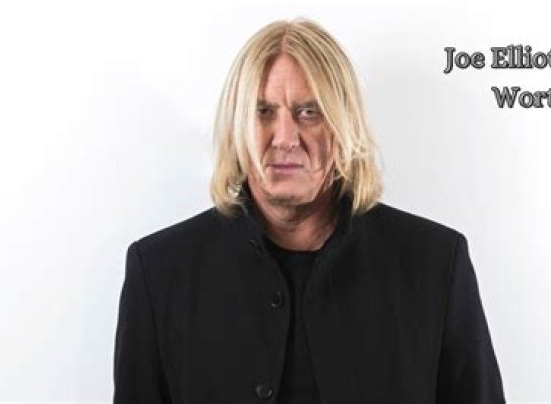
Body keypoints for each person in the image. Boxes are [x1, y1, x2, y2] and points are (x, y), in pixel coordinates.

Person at [113, 17, 506, 404]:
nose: (285, 138)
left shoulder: (435, 265)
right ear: (236, 129)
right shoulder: (159, 273)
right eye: (263, 111)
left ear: (344, 126)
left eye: (309, 112)